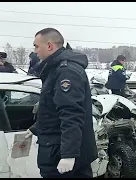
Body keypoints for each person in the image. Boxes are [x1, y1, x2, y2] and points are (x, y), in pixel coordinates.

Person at [25, 27, 97, 178]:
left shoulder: (65, 72)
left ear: (50, 46)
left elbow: (71, 113)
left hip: (59, 152)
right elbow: (53, 109)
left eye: (37, 46)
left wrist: (68, 154)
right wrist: (36, 128)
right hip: (57, 148)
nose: (35, 51)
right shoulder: (56, 69)